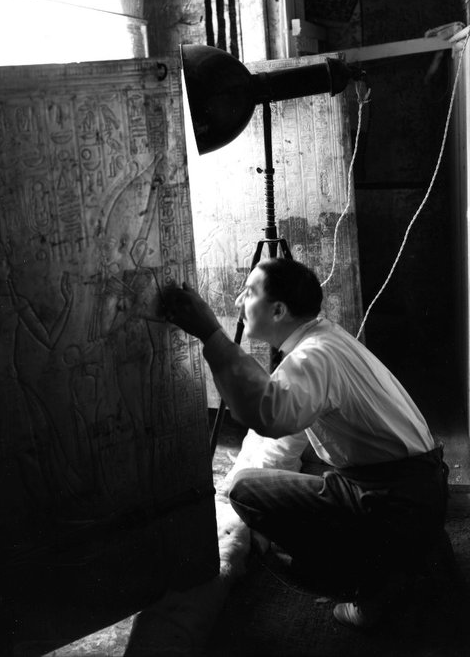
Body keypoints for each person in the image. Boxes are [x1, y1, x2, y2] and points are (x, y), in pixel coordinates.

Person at [162, 257, 449, 629]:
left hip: (395, 499)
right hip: (420, 490)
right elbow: (281, 438)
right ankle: (415, 557)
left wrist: (211, 333)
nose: (237, 302)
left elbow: (270, 414)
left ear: (278, 310)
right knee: (276, 476)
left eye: (249, 292)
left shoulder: (314, 356)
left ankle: (377, 589)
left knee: (248, 493)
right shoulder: (324, 338)